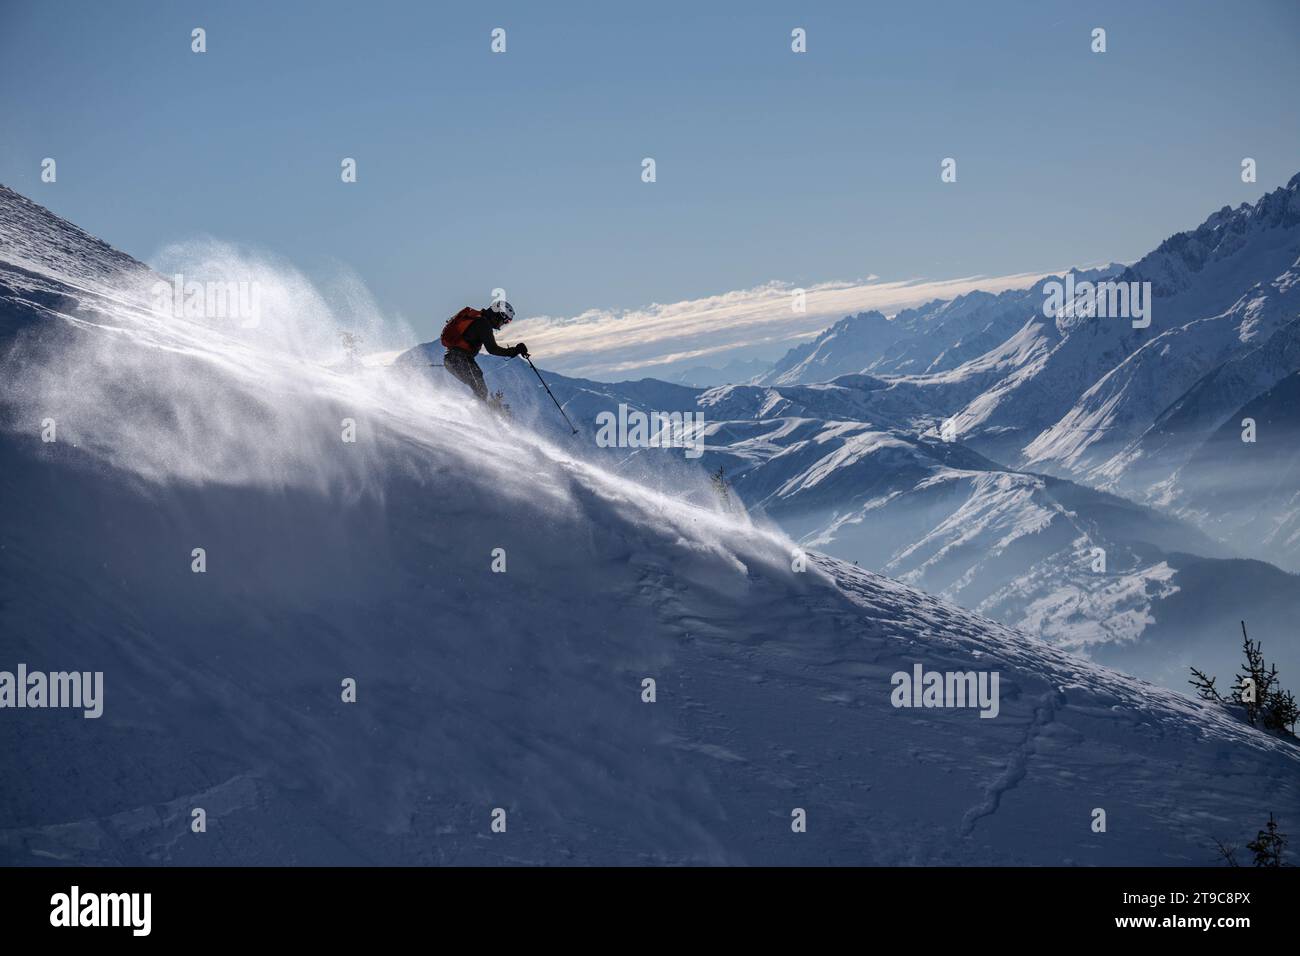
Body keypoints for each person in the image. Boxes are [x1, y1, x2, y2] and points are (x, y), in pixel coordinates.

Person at [439, 301, 528, 403]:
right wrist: (514, 351)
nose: (503, 324)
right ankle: (477, 414)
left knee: (479, 387)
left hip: (454, 359)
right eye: (505, 321)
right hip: (458, 360)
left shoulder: (479, 320)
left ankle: (477, 410)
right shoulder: (483, 324)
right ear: (499, 315)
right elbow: (492, 349)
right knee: (480, 389)